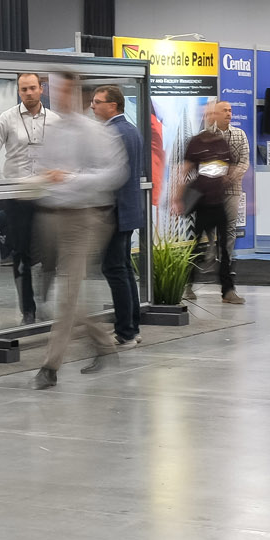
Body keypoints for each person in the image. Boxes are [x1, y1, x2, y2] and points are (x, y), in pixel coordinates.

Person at [32, 75, 128, 388]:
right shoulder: (55, 130)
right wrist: (43, 179)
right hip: (54, 215)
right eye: (54, 89)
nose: (57, 95)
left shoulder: (95, 132)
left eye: (63, 89)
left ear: (76, 94)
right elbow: (44, 169)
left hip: (86, 217)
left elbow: (114, 174)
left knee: (67, 292)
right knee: (69, 292)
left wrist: (71, 178)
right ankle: (104, 343)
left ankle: (50, 367)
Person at [0, 71, 56, 322]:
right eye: (24, 89)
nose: (29, 93)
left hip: (46, 195)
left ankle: (46, 302)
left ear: (41, 88)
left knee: (50, 252)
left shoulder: (54, 120)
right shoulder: (7, 119)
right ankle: (28, 310)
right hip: (18, 196)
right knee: (20, 254)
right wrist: (6, 182)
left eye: (33, 88)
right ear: (18, 91)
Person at [174, 101, 247, 305]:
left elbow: (232, 166)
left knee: (224, 247)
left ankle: (227, 290)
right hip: (202, 203)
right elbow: (186, 170)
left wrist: (231, 181)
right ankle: (187, 285)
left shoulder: (222, 142)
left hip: (219, 201)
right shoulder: (196, 142)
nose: (219, 115)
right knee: (196, 246)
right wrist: (178, 198)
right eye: (213, 113)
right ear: (207, 117)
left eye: (222, 112)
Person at [93, 85, 146, 347]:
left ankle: (126, 331)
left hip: (115, 212)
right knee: (123, 269)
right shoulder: (130, 130)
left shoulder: (114, 133)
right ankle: (131, 328)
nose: (93, 106)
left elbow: (109, 176)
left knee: (115, 269)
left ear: (112, 106)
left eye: (97, 102)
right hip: (126, 211)